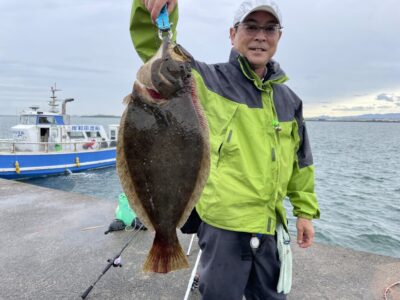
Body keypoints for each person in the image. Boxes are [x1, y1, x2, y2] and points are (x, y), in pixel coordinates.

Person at [130, 0, 320, 299]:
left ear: (278, 37)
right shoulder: (205, 80)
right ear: (233, 34)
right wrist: (149, 10)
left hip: (269, 225)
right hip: (223, 228)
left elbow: (301, 162)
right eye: (251, 27)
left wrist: (304, 212)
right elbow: (158, 55)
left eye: (269, 28)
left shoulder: (289, 99)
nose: (260, 36)